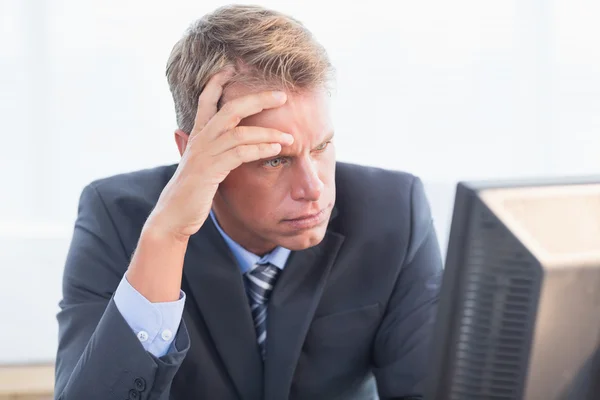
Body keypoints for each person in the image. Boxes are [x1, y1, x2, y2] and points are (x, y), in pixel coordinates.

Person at [54, 4, 443, 400]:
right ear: (193, 153)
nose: (313, 188)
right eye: (273, 158)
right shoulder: (114, 218)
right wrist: (167, 237)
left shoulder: (394, 211)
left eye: (322, 147)